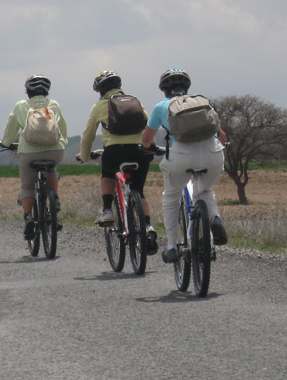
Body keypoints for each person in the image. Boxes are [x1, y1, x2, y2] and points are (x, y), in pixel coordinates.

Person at [142, 68, 228, 264]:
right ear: (187, 88)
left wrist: (148, 148)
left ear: (164, 90)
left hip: (181, 155)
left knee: (171, 196)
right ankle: (214, 218)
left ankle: (172, 246)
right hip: (212, 153)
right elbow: (222, 137)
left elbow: (147, 138)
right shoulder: (203, 103)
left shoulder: (161, 107)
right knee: (205, 190)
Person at [76, 71, 158, 251]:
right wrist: (150, 146)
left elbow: (88, 135)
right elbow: (148, 124)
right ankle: (148, 225)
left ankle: (106, 209)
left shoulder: (100, 106)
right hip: (139, 151)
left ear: (100, 91)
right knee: (139, 190)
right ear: (119, 87)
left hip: (114, 151)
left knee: (107, 173)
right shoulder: (135, 101)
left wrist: (85, 155)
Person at [0, 75, 68, 239]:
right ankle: (55, 198)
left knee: (27, 186)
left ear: (28, 91)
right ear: (46, 91)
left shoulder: (21, 106)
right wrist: (62, 142)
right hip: (55, 151)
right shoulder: (54, 105)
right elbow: (62, 128)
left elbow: (11, 129)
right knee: (52, 168)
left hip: (29, 153)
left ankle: (28, 217)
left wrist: (5, 142)